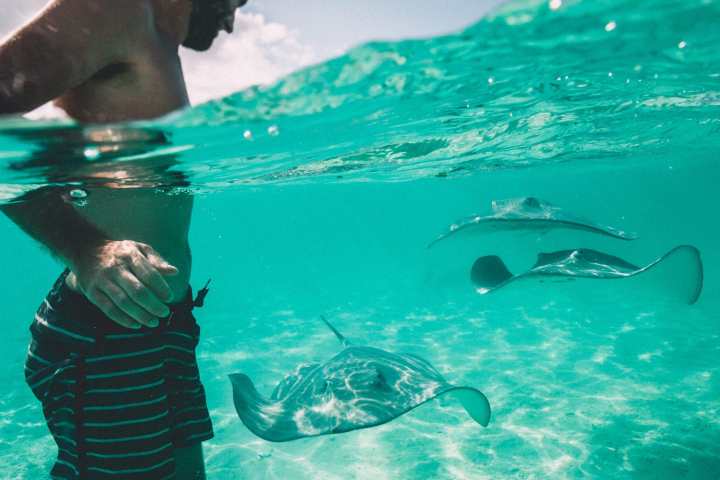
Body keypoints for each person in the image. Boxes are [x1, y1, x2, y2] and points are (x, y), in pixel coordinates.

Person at [0, 0, 248, 478]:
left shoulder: (156, 43)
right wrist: (87, 250)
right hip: (104, 332)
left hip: (162, 322)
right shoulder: (115, 9)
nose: (233, 20)